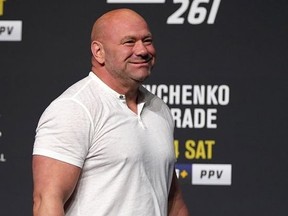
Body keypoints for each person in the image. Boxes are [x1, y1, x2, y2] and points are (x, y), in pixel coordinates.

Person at [32, 8, 189, 216]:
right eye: (129, 42)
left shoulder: (159, 109)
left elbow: (172, 199)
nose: (143, 50)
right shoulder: (74, 109)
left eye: (147, 40)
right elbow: (47, 201)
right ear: (99, 52)